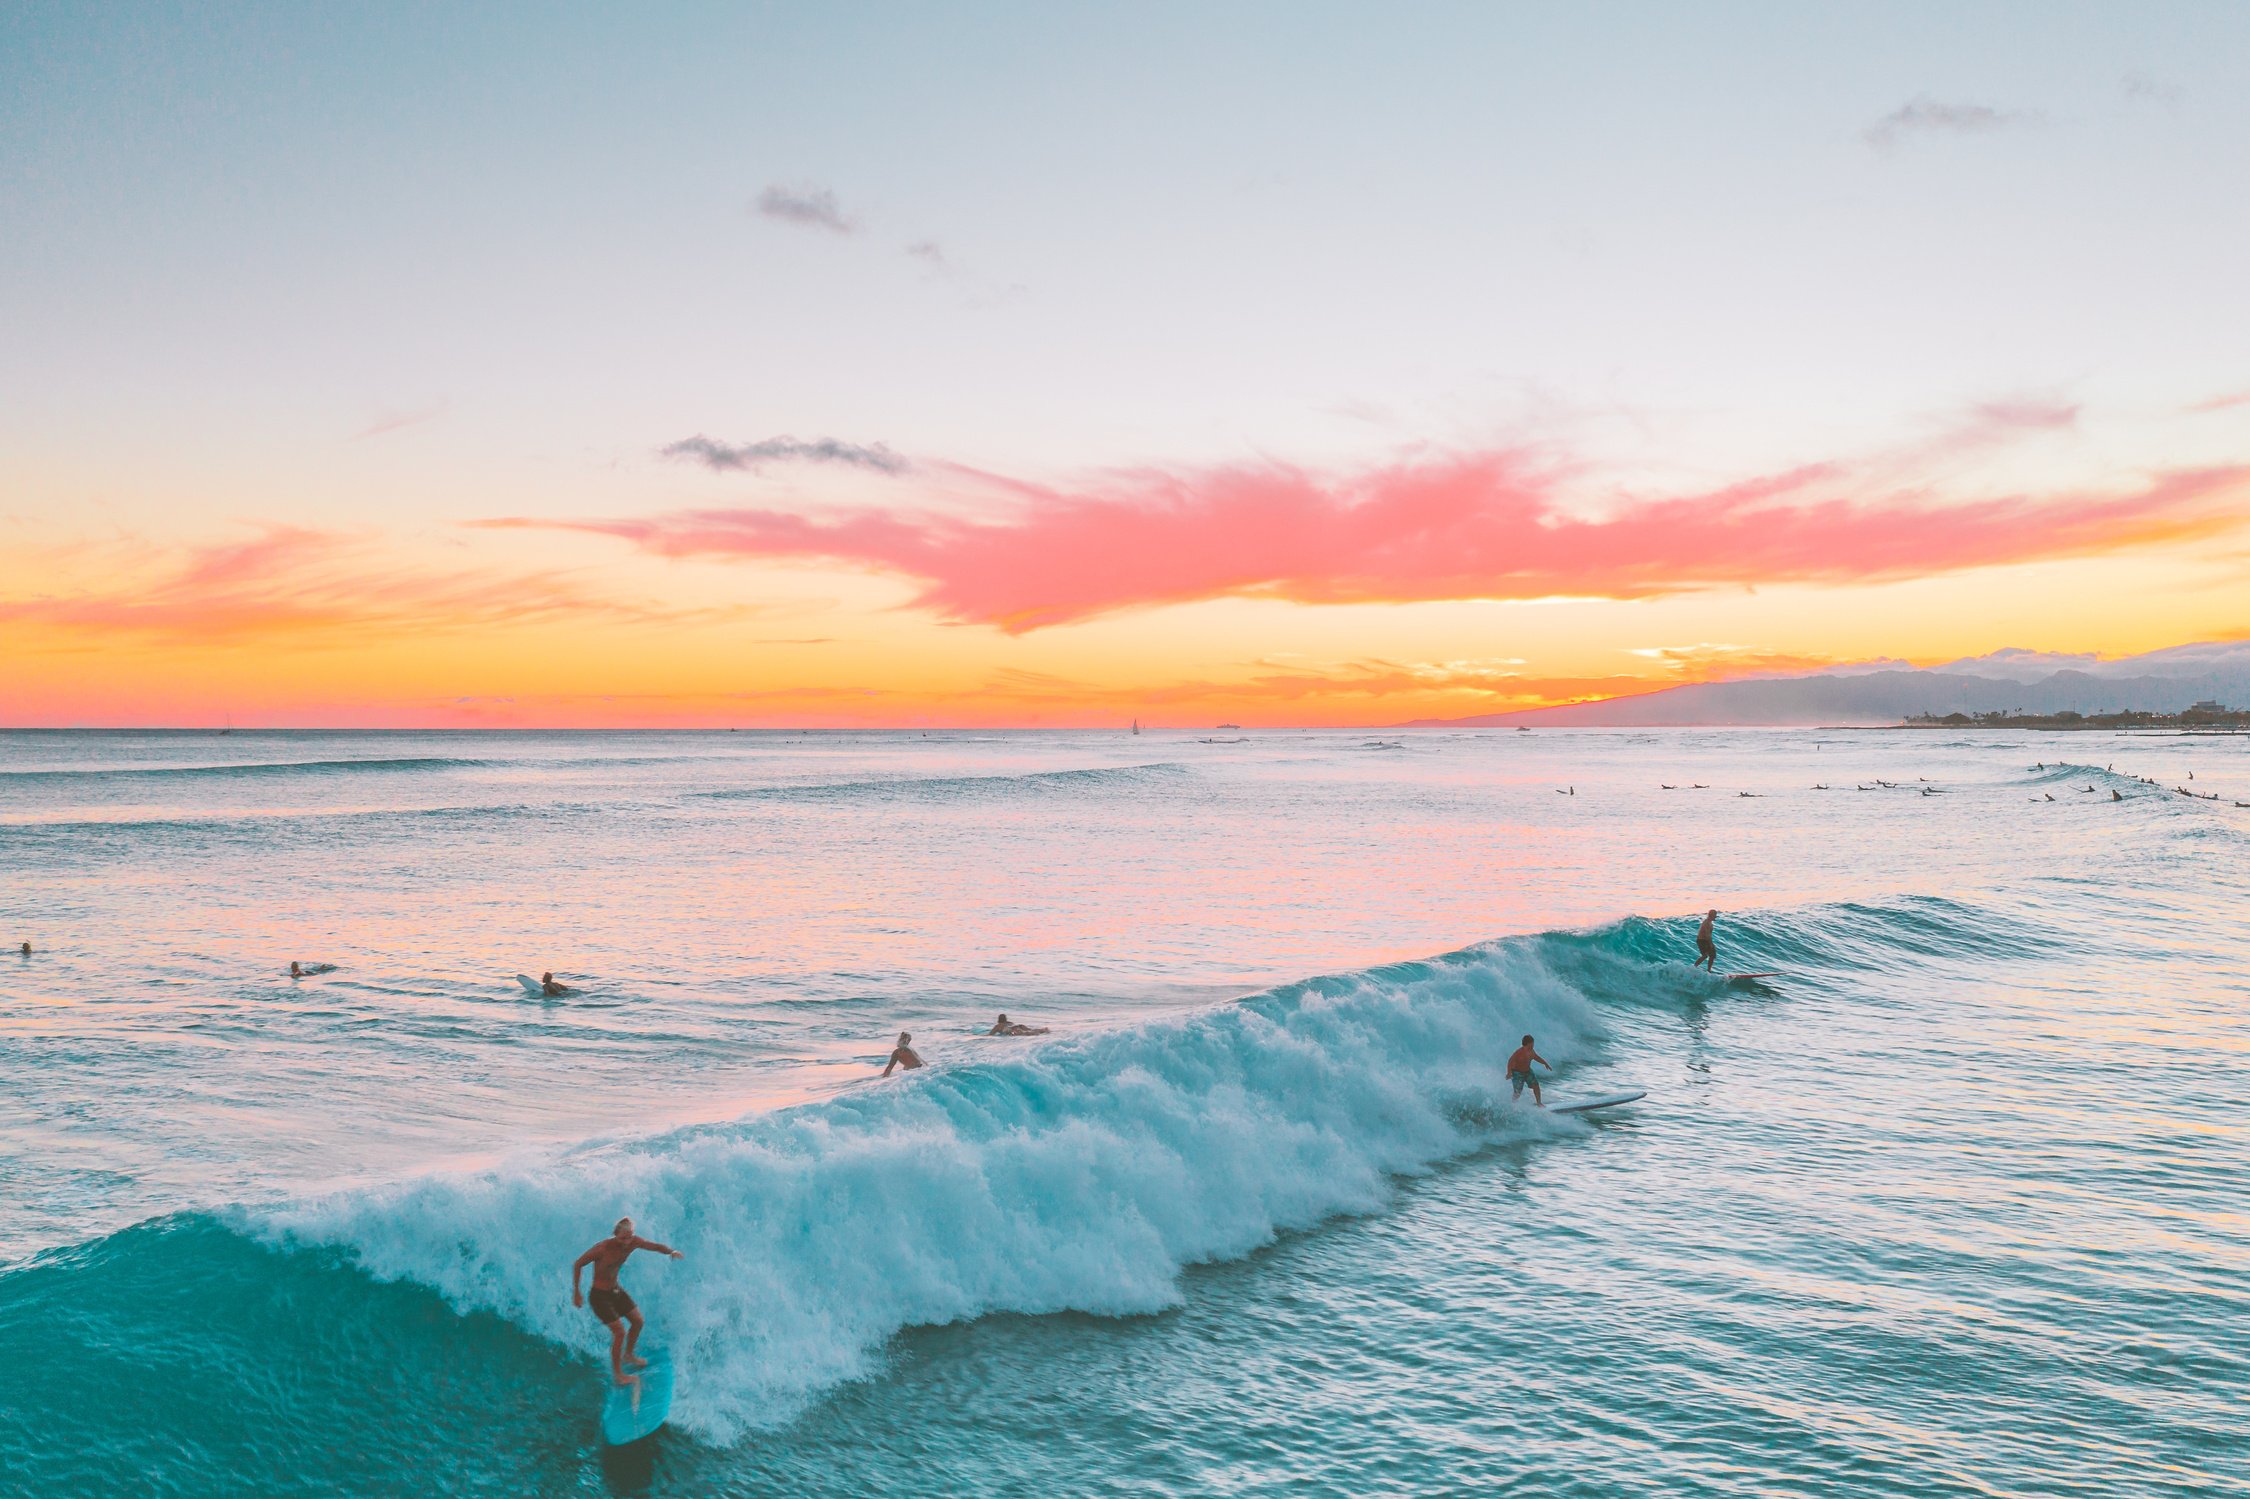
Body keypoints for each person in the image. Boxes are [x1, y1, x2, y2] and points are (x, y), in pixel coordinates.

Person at [571, 1217, 683, 1387]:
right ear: (615, 1234)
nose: (626, 1241)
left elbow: (654, 1246)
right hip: (599, 1296)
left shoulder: (633, 1242)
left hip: (615, 1291)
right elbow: (578, 1264)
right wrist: (577, 1292)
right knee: (619, 1332)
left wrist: (671, 1252)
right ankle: (618, 1374)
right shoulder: (601, 1249)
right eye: (623, 1238)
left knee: (638, 1321)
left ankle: (628, 1355)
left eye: (630, 1237)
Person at [1506, 1034, 1552, 1106]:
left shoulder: (1531, 1051)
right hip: (1517, 1073)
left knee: (1536, 1086)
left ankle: (1539, 1103)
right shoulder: (1519, 1052)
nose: (1533, 1045)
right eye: (1532, 1043)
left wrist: (1545, 1063)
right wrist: (1509, 1072)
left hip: (1527, 1071)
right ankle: (1512, 1105)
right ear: (1528, 1043)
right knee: (1518, 1091)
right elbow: (1510, 1061)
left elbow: (1537, 1058)